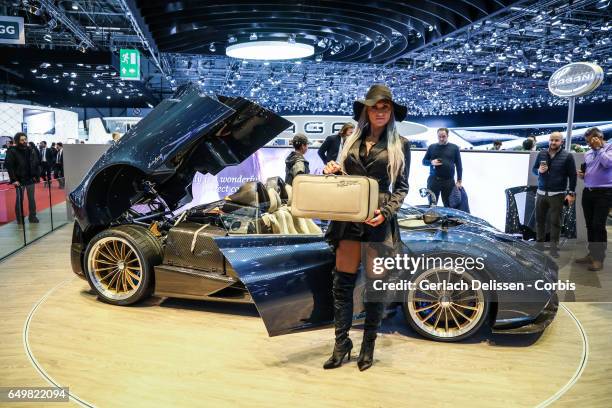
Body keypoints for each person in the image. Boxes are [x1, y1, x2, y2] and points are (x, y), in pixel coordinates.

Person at [322, 84, 410, 371]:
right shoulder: (349, 141)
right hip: (348, 217)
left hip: (378, 221)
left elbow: (402, 188)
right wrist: (333, 171)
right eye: (375, 107)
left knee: (375, 287)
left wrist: (386, 212)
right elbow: (344, 179)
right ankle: (341, 343)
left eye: (386, 108)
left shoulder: (400, 144)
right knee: (342, 285)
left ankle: (368, 345)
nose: (380, 112)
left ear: (391, 113)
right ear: (366, 111)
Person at [532, 132, 577, 257]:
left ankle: (554, 247)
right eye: (551, 140)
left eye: (556, 140)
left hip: (557, 194)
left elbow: (572, 176)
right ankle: (539, 244)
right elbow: (534, 170)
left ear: (561, 142)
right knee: (539, 220)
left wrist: (571, 192)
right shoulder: (541, 153)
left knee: (555, 222)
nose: (553, 142)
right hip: (541, 193)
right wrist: (538, 171)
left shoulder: (567, 156)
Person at [576, 127, 611, 271]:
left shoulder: (609, 148)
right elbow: (592, 169)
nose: (589, 145)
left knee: (598, 225)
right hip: (588, 192)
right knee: (590, 225)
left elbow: (608, 164)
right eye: (587, 142)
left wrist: (599, 149)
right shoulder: (589, 152)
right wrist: (584, 175)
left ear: (599, 137)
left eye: (590, 141)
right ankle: (592, 254)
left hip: (605, 193)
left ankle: (599, 259)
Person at [5, 132, 40, 224]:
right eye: (22, 140)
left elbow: (35, 163)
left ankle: (32, 216)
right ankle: (20, 218)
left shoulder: (30, 149)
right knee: (19, 200)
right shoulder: (12, 151)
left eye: (25, 139)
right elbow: (9, 166)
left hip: (30, 179)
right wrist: (14, 180)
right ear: (17, 141)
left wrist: (36, 176)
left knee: (32, 199)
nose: (24, 141)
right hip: (19, 181)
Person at [422, 128, 463, 207]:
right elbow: (424, 162)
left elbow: (459, 165)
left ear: (447, 136)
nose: (441, 138)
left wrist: (459, 180)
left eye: (443, 136)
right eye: (439, 136)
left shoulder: (454, 148)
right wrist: (431, 162)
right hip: (433, 181)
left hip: (448, 182)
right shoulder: (431, 147)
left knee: (449, 206)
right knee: (432, 206)